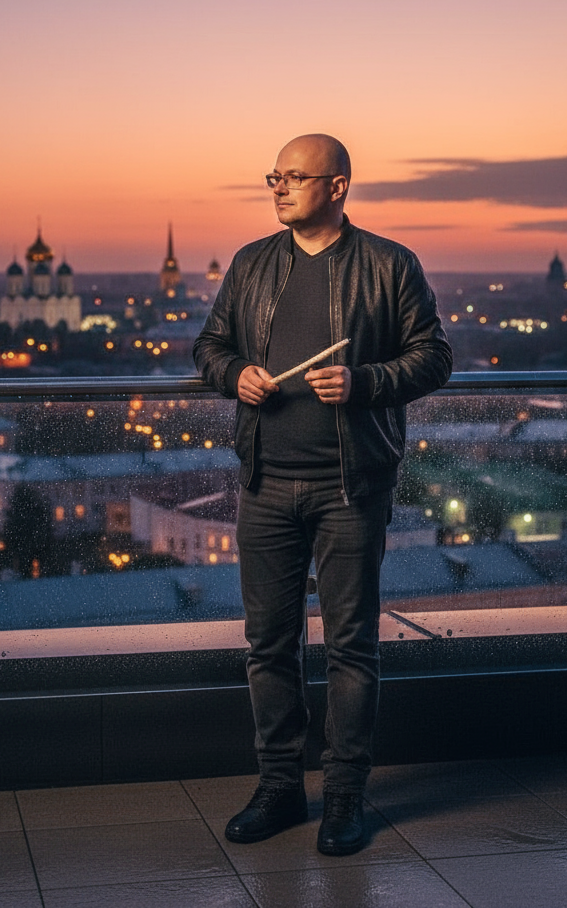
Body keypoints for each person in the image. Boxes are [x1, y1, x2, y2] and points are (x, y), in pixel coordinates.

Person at [193, 133, 452, 855]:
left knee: (351, 647)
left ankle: (344, 796)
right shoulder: (252, 263)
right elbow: (209, 346)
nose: (278, 187)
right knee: (268, 645)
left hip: (351, 487)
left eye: (295, 177)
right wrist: (233, 372)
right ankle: (280, 788)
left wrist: (365, 383)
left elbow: (434, 357)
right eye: (274, 176)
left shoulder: (388, 263)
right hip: (264, 485)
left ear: (337, 186)